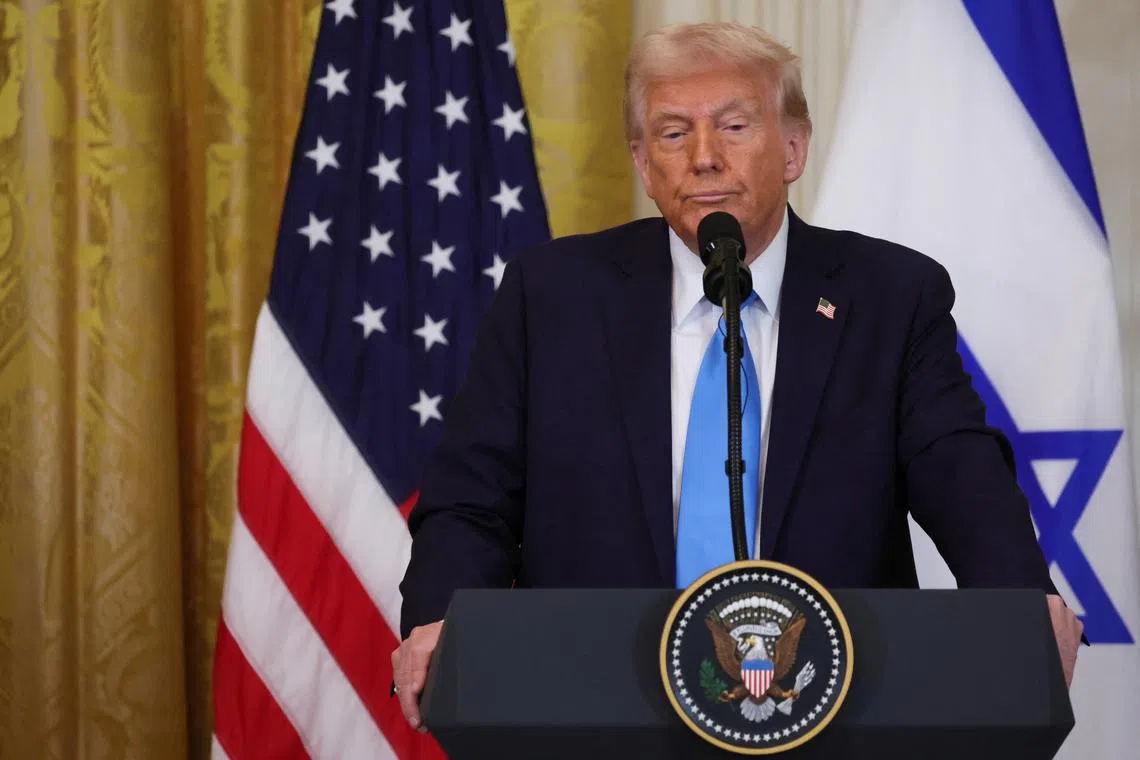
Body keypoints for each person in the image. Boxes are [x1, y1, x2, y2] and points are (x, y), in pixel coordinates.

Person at [391, 21, 1084, 730]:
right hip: (591, 707)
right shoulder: (553, 294)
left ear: (792, 148)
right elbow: (471, 496)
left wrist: (1019, 601)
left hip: (831, 707)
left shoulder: (890, 295)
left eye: (733, 126)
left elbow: (960, 470)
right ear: (641, 161)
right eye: (671, 134)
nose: (703, 159)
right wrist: (443, 620)